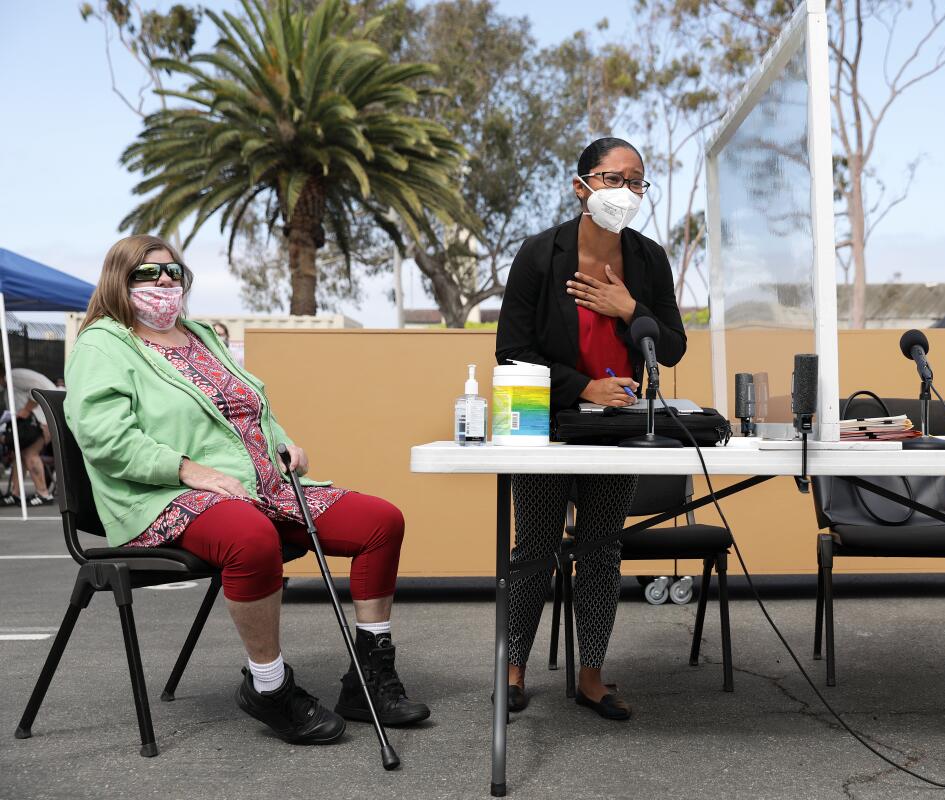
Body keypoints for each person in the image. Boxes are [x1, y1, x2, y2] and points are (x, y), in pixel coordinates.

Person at [64, 234, 429, 746]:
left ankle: (369, 674)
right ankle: (269, 687)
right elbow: (105, 439)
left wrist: (285, 444)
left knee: (380, 521)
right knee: (250, 538)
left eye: (174, 272)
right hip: (165, 495)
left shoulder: (200, 335)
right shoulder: (102, 342)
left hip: (261, 484)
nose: (164, 282)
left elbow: (251, 406)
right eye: (148, 274)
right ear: (118, 281)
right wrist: (188, 469)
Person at [495, 137, 686, 720]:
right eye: (612, 179)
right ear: (581, 186)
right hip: (549, 427)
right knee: (535, 548)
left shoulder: (649, 259)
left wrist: (629, 310)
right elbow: (511, 352)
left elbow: (671, 347)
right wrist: (583, 386)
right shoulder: (538, 254)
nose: (625, 192)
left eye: (636, 182)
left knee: (602, 549)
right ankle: (513, 670)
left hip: (620, 430)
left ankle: (593, 677)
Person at [1, 365, 56, 506]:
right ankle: (15, 493)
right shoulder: (9, 384)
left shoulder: (13, 377)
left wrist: (26, 410)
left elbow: (37, 387)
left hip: (42, 420)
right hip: (36, 421)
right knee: (18, 455)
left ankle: (43, 493)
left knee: (30, 454)